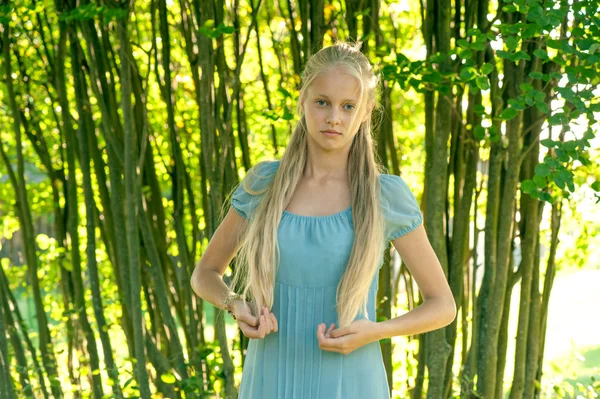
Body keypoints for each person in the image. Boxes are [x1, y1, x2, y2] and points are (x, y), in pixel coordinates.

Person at [190, 41, 456, 399]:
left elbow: (442, 305)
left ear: (366, 112)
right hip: (269, 378)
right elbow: (204, 274)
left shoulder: (384, 197)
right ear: (302, 101)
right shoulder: (263, 185)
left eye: (348, 106)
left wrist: (374, 331)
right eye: (322, 102)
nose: (334, 117)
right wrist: (235, 303)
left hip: (352, 381)